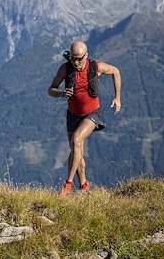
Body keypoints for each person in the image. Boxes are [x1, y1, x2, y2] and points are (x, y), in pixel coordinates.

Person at [47, 41, 121, 195]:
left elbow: (115, 71)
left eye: (79, 58)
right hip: (73, 115)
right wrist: (61, 93)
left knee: (76, 140)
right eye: (73, 58)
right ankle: (84, 185)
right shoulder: (65, 69)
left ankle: (67, 184)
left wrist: (117, 98)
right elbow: (51, 90)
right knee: (76, 151)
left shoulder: (95, 66)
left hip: (92, 113)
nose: (76, 62)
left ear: (86, 56)